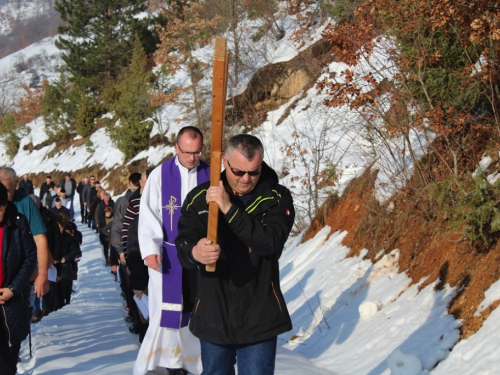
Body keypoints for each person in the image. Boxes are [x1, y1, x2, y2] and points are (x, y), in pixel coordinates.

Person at [175, 134, 295, 375]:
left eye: (254, 172)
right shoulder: (200, 199)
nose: (246, 179)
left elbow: (269, 243)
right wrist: (196, 252)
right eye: (239, 172)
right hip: (213, 311)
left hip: (259, 313)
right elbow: (183, 244)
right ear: (225, 163)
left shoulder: (276, 197)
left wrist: (228, 208)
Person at [134, 126, 210, 375]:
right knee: (168, 309)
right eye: (187, 152)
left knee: (197, 306)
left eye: (197, 152)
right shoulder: (160, 175)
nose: (192, 158)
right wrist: (150, 248)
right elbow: (149, 214)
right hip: (167, 255)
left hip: (201, 255)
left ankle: (195, 362)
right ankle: (167, 362)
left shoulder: (211, 174)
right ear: (176, 148)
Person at [0, 182, 37, 375]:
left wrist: (12, 289)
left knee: (8, 356)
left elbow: (30, 257)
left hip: (11, 301)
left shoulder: (17, 222)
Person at [0, 167, 50, 298]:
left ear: (15, 185)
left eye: (6, 191)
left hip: (21, 277)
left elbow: (40, 240)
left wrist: (43, 274)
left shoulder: (26, 203)